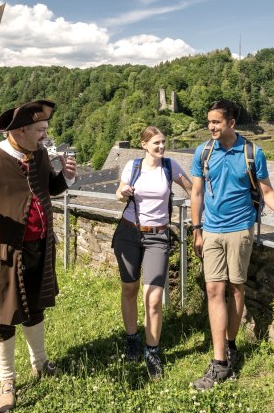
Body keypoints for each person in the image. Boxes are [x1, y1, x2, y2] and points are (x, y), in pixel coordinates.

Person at [0, 99, 76, 413]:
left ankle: (40, 362)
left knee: (34, 308)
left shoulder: (40, 154)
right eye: (40, 130)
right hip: (3, 250)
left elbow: (48, 188)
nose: (45, 136)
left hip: (39, 246)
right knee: (3, 315)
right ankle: (7, 381)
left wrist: (66, 177)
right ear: (20, 130)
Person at [190, 100, 274, 390]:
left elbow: (266, 190)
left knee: (235, 288)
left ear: (231, 123)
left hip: (239, 230)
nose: (211, 127)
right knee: (213, 289)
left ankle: (230, 347)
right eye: (209, 122)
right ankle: (220, 362)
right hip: (211, 230)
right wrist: (197, 229)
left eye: (216, 122)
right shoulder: (203, 152)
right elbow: (196, 192)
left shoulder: (252, 153)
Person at [113, 126, 192, 380]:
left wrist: (202, 217)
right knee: (129, 288)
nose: (161, 147)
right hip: (129, 232)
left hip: (158, 236)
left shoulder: (171, 167)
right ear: (144, 144)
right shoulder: (132, 166)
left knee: (154, 298)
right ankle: (133, 338)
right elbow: (119, 192)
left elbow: (193, 189)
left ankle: (153, 351)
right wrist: (122, 192)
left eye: (163, 142)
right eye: (156, 143)